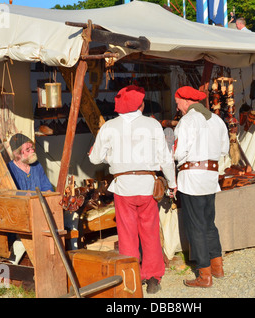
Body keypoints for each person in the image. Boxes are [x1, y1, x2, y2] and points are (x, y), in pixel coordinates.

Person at [88, 85, 177, 294]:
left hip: (123, 187)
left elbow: (94, 158)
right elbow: (166, 159)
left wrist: (111, 157)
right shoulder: (152, 125)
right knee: (150, 233)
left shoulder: (109, 127)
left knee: (127, 234)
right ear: (141, 104)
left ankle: (131, 276)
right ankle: (153, 277)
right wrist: (172, 184)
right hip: (147, 185)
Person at [173, 86, 229, 288]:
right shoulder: (217, 120)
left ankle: (204, 275)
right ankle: (217, 266)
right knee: (208, 223)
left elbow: (178, 153)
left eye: (178, 101)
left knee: (196, 225)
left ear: (187, 101)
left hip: (192, 178)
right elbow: (224, 149)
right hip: (210, 178)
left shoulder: (187, 121)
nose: (177, 106)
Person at [7, 133, 53, 265]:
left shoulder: (36, 165)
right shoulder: (10, 169)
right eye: (27, 150)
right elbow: (11, 194)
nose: (32, 151)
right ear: (18, 154)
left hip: (39, 209)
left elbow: (46, 186)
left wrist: (49, 194)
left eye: (32, 148)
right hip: (21, 213)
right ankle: (14, 262)